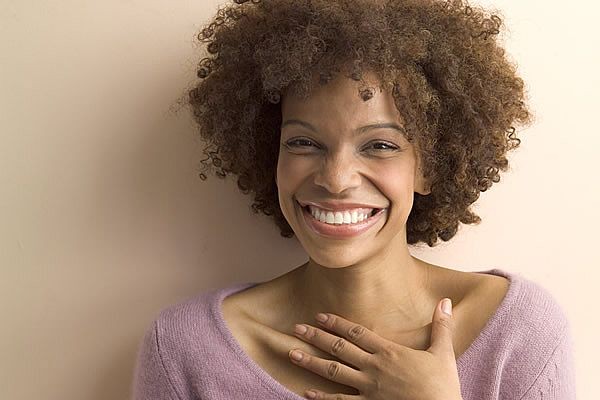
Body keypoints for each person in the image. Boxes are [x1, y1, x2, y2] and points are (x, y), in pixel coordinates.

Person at [131, 0, 576, 399]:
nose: (337, 179)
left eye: (380, 145)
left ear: (431, 166)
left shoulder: (518, 333)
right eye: (304, 143)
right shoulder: (185, 350)